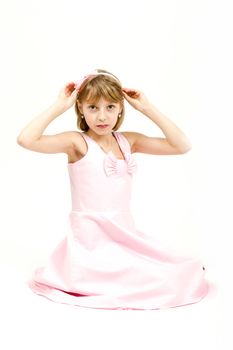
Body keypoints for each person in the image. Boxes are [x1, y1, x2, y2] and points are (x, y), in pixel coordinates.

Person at [17, 68, 210, 310]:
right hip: (91, 239)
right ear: (81, 109)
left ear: (120, 108)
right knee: (132, 282)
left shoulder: (127, 141)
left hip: (124, 234)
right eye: (93, 107)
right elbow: (26, 139)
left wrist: (147, 108)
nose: (101, 117)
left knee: (173, 272)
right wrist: (59, 106)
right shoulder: (77, 143)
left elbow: (182, 145)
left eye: (110, 107)